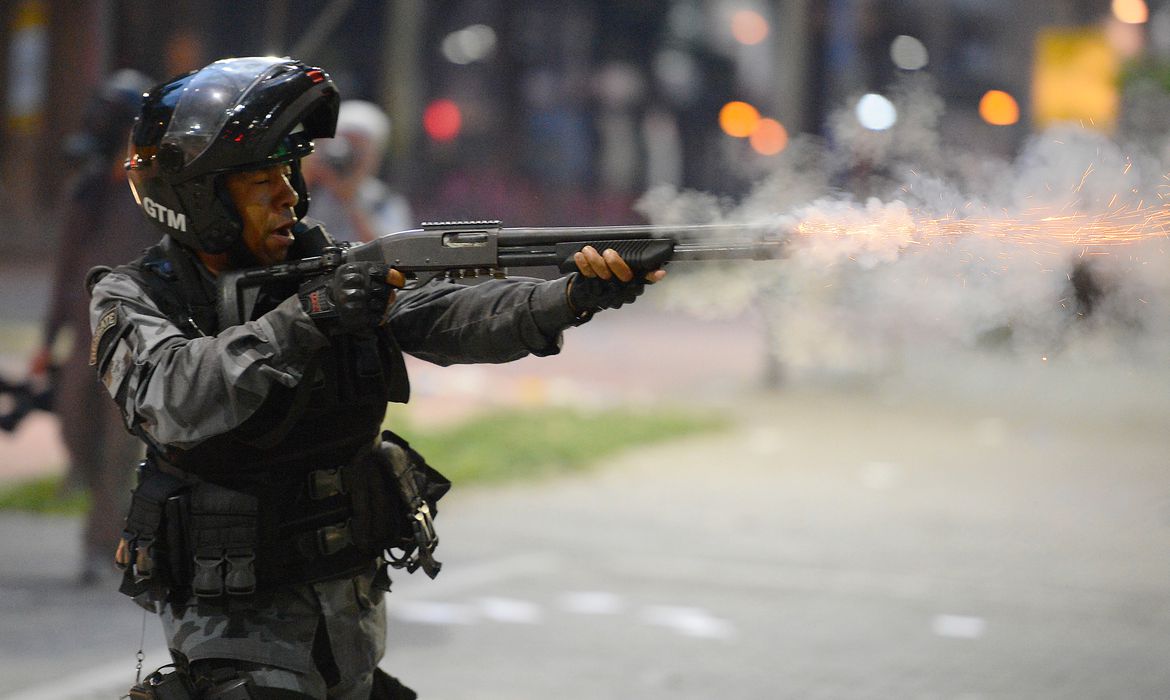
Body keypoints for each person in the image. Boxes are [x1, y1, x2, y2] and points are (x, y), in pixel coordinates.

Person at [89, 57, 662, 699]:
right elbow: (173, 396)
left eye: (287, 172)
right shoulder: (135, 294)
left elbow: (442, 314)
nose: (288, 194)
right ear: (198, 199)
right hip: (237, 615)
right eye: (259, 182)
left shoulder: (323, 266)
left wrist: (570, 297)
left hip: (349, 603)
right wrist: (312, 314)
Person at [28, 68, 155, 585]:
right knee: (72, 422)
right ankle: (95, 486)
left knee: (120, 443)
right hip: (85, 331)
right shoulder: (87, 188)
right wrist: (47, 339)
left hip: (138, 334)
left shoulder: (153, 187)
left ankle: (101, 545)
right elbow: (65, 267)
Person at [301, 99, 412, 243]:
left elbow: (392, 252)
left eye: (358, 149)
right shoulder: (312, 190)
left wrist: (349, 200)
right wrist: (307, 176)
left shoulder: (382, 200)